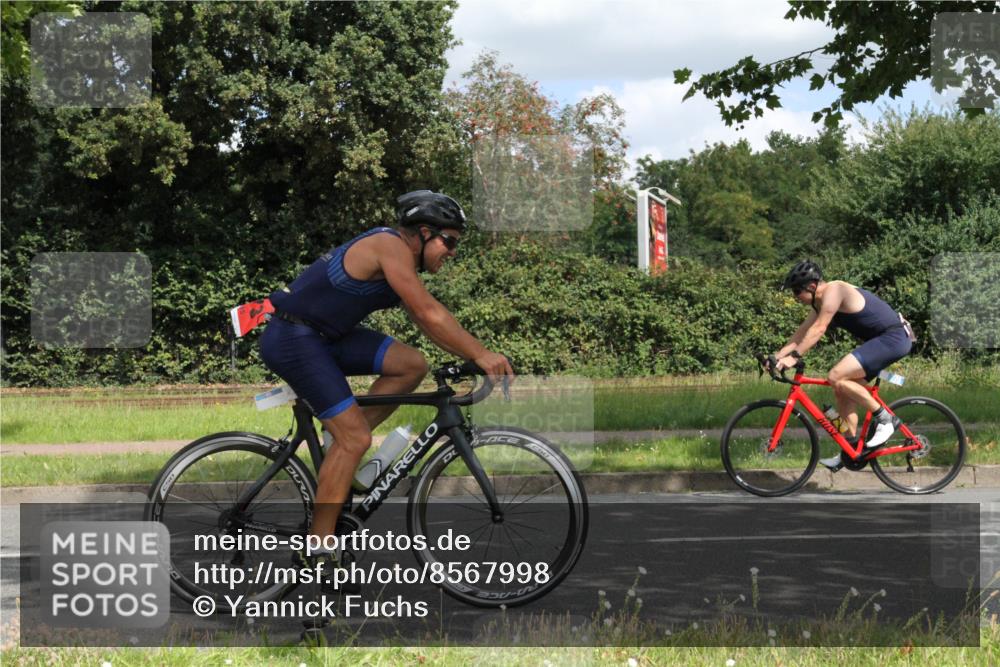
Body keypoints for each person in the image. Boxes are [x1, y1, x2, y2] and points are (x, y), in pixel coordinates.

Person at [260, 190, 514, 568]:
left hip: (326, 336)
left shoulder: (402, 259)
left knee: (411, 364)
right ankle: (318, 548)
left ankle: (339, 450)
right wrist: (479, 354)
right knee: (356, 438)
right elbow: (428, 313)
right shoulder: (389, 245)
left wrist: (469, 354)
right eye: (450, 241)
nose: (453, 251)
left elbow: (425, 320)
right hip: (294, 338)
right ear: (425, 232)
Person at [771, 260, 914, 470]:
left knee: (836, 376)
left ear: (811, 286)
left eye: (796, 291)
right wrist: (775, 357)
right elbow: (800, 334)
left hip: (893, 338)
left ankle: (886, 421)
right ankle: (850, 449)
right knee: (842, 390)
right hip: (882, 341)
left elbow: (819, 329)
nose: (795, 297)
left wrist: (793, 358)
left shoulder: (834, 291)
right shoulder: (818, 303)